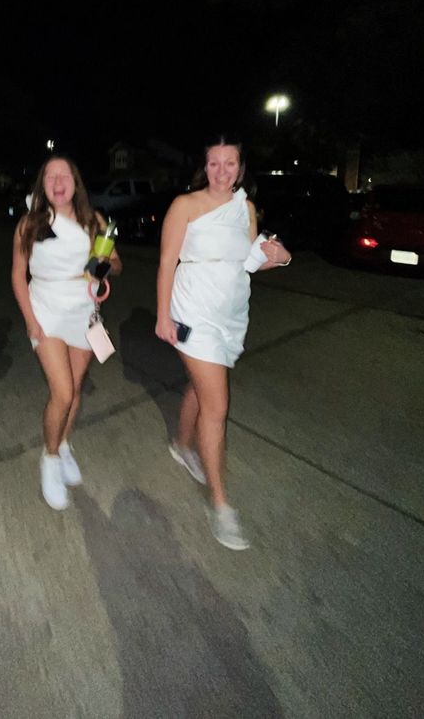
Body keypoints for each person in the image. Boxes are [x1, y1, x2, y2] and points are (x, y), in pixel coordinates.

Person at [155, 135, 291, 550]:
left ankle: (182, 446)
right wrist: (162, 316)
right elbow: (166, 261)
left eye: (229, 163)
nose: (221, 171)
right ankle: (221, 507)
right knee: (217, 406)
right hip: (193, 310)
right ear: (205, 166)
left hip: (232, 313)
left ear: (240, 168)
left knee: (201, 387)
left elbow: (246, 263)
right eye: (214, 163)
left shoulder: (245, 208)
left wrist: (276, 256)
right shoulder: (186, 205)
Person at [12, 154, 122, 511]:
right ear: (42, 186)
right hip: (45, 306)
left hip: (83, 309)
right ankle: (50, 457)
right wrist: (30, 321)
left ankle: (64, 444)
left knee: (74, 391)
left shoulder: (94, 221)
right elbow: (18, 275)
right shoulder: (31, 223)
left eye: (64, 176)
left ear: (75, 182)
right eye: (50, 177)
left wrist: (105, 266)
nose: (58, 183)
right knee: (61, 392)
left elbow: (115, 263)